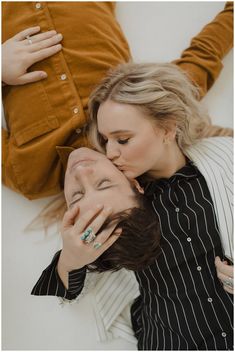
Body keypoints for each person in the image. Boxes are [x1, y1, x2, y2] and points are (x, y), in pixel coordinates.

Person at [32, 62, 233, 350]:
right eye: (105, 139)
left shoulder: (226, 156)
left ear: (167, 127)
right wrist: (70, 259)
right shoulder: (119, 200)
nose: (110, 152)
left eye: (123, 139)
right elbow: (76, 284)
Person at [2, 2, 233, 200]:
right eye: (102, 184)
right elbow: (206, 51)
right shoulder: (152, 104)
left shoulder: (30, 175)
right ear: (135, 186)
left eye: (77, 196)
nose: (82, 173)